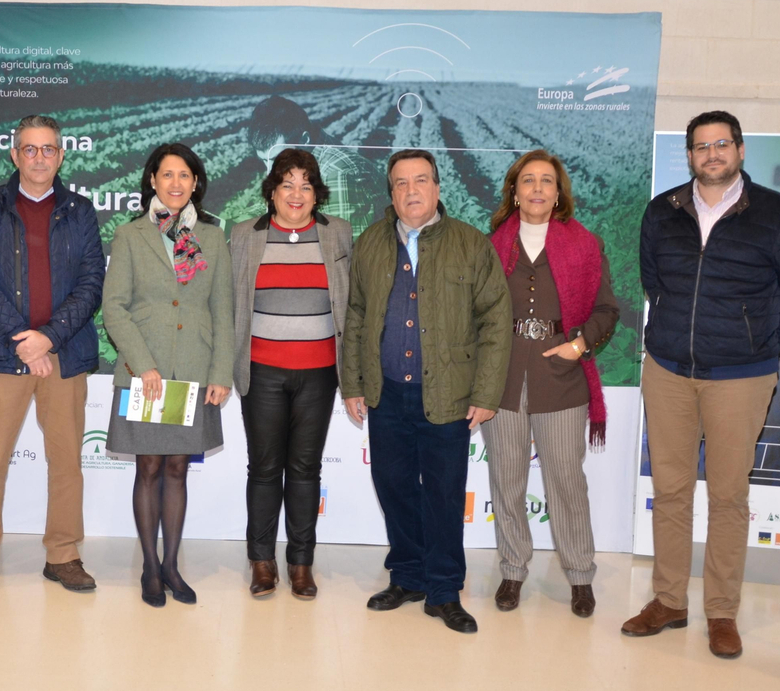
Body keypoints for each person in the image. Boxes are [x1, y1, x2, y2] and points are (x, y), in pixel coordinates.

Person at [626, 110, 780, 658]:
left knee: (729, 496)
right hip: (668, 370)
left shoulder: (778, 215)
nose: (711, 154)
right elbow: (654, 282)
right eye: (701, 146)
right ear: (689, 154)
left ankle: (721, 612)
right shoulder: (662, 211)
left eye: (721, 144)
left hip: (741, 377)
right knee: (670, 491)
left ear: (739, 149)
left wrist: (758, 344)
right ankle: (668, 600)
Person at [342, 149, 511, 634]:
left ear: (437, 188)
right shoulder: (371, 242)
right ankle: (408, 576)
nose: (411, 190)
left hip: (449, 395)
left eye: (420, 180)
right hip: (386, 394)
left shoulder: (470, 244)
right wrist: (352, 382)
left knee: (443, 494)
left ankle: (443, 590)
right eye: (401, 183)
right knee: (393, 487)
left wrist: (486, 394)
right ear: (391, 193)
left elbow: (496, 322)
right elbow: (356, 315)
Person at [0, 115, 105, 596]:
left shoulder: (80, 211)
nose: (39, 158)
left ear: (61, 156)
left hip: (63, 354)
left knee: (66, 462)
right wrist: (23, 338)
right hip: (1, 352)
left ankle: (63, 555)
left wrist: (50, 338)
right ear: (14, 155)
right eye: (30, 149)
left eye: (48, 149)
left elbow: (91, 284)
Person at [483, 150, 620, 618]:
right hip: (501, 378)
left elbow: (607, 310)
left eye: (546, 180)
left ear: (558, 193)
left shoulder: (585, 244)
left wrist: (578, 346)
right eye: (528, 180)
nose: (537, 188)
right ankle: (512, 570)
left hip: (561, 379)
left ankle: (580, 576)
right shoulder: (491, 245)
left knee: (565, 481)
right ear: (514, 192)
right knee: (506, 481)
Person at [102, 143, 234, 607]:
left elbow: (223, 310)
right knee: (150, 467)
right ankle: (149, 567)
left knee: (178, 468)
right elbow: (114, 308)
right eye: (167, 175)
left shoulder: (213, 238)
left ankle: (172, 566)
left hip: (194, 369)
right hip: (147, 374)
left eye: (184, 175)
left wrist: (221, 371)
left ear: (195, 183)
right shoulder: (130, 235)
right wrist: (143, 364)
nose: (176, 183)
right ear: (152, 181)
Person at [230, 148, 352, 600]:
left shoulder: (338, 233)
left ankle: (301, 563)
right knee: (264, 468)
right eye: (287, 184)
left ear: (317, 194)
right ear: (272, 192)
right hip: (262, 372)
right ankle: (261, 561)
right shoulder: (245, 235)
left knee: (305, 469)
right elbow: (230, 303)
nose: (296, 194)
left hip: (319, 374)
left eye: (306, 185)